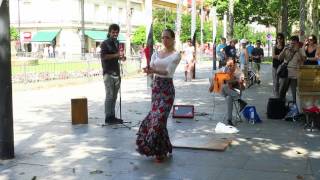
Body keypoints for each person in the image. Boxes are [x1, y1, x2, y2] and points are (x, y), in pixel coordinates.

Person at [136, 29, 181, 162]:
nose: (164, 40)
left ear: (173, 39)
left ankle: (157, 148)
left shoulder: (176, 55)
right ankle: (161, 151)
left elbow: (168, 72)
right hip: (156, 88)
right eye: (162, 38)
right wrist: (148, 70)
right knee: (157, 119)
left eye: (167, 37)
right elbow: (151, 67)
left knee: (159, 120)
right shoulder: (156, 53)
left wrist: (154, 70)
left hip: (167, 90)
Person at [100, 24, 126, 124]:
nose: (115, 34)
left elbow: (117, 56)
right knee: (109, 95)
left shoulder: (117, 42)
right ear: (109, 32)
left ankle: (112, 116)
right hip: (108, 73)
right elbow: (103, 57)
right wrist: (116, 55)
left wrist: (122, 57)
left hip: (116, 72)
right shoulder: (105, 43)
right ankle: (108, 117)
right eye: (113, 32)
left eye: (117, 32)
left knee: (114, 96)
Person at [218, 59, 246, 126]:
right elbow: (219, 81)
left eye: (231, 66)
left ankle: (229, 120)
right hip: (226, 91)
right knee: (223, 87)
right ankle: (240, 101)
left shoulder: (239, 72)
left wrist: (239, 82)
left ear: (235, 65)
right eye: (228, 66)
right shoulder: (224, 70)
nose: (229, 67)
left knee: (228, 98)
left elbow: (243, 88)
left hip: (236, 92)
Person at [278, 35, 306, 103]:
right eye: (291, 43)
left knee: (295, 92)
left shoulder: (300, 49)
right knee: (282, 91)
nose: (292, 44)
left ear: (297, 43)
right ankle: (280, 105)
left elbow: (304, 59)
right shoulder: (287, 48)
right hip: (286, 72)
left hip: (295, 73)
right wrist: (284, 49)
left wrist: (298, 51)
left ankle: (294, 106)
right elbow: (279, 58)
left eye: (294, 43)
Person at [272, 33, 285, 97]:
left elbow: (285, 57)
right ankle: (276, 96)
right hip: (275, 66)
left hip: (282, 67)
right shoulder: (274, 47)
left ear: (283, 39)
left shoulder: (284, 47)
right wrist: (280, 56)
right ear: (276, 39)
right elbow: (273, 56)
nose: (279, 39)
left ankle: (280, 95)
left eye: (280, 38)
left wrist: (278, 56)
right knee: (275, 82)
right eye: (278, 38)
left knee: (282, 82)